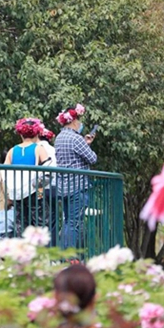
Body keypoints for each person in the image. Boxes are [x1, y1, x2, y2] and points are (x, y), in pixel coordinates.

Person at [54, 104, 97, 250]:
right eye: (79, 120)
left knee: (68, 221)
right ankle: (68, 257)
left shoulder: (59, 137)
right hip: (77, 186)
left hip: (64, 187)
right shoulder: (76, 138)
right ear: (73, 121)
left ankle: (63, 255)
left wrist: (85, 143)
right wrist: (87, 145)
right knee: (74, 223)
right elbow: (92, 158)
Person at [3, 118, 49, 237]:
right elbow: (48, 170)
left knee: (21, 227)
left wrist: (8, 195)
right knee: (41, 225)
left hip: (17, 194)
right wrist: (40, 191)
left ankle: (23, 253)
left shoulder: (12, 151)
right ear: (37, 133)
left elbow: (3, 173)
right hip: (34, 191)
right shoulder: (39, 148)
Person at [38, 127, 59, 245]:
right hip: (54, 188)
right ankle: (53, 249)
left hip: (40, 188)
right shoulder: (53, 150)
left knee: (39, 218)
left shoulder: (37, 149)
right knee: (53, 220)